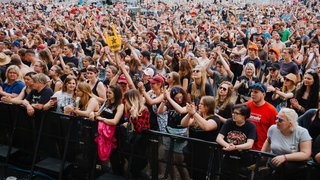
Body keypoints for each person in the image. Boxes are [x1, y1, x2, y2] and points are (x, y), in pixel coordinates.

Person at [261, 108, 312, 180]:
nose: (276, 121)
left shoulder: (302, 132)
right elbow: (268, 142)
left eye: (280, 120)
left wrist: (285, 157)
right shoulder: (273, 129)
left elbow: (306, 154)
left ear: (290, 123)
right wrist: (262, 157)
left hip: (293, 171)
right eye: (276, 118)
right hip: (274, 167)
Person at [181, 96, 221, 180]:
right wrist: (189, 113)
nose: (199, 105)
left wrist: (194, 114)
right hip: (193, 153)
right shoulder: (197, 117)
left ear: (208, 106)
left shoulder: (215, 119)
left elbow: (206, 127)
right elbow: (183, 124)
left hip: (206, 155)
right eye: (199, 103)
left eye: (202, 104)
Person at [216, 104, 257, 180]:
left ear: (244, 115)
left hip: (243, 161)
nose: (233, 115)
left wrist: (235, 147)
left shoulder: (251, 126)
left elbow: (249, 144)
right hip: (228, 159)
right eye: (233, 113)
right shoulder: (229, 122)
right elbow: (219, 138)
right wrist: (228, 145)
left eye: (236, 113)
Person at [158, 86, 190, 180]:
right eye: (176, 98)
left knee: (179, 162)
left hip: (181, 134)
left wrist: (169, 99)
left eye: (181, 97)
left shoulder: (187, 104)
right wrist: (164, 100)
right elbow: (160, 111)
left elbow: (181, 110)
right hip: (169, 132)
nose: (179, 100)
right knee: (169, 160)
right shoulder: (170, 103)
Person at [95, 85, 124, 175]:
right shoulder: (106, 102)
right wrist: (93, 114)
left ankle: (117, 174)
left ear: (116, 94)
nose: (107, 94)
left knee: (114, 157)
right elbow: (98, 114)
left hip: (114, 136)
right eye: (107, 92)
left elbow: (115, 121)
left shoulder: (120, 105)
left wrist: (102, 119)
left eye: (110, 93)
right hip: (102, 134)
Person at [122, 89, 150, 179]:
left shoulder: (144, 110)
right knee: (131, 168)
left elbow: (140, 129)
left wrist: (134, 119)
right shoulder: (130, 109)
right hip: (132, 142)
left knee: (136, 168)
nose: (125, 101)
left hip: (140, 143)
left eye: (127, 100)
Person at [246, 83, 278, 150]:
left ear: (263, 94)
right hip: (244, 146)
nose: (252, 94)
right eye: (252, 91)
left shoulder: (272, 110)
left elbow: (275, 131)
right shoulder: (246, 106)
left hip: (260, 149)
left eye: (256, 92)